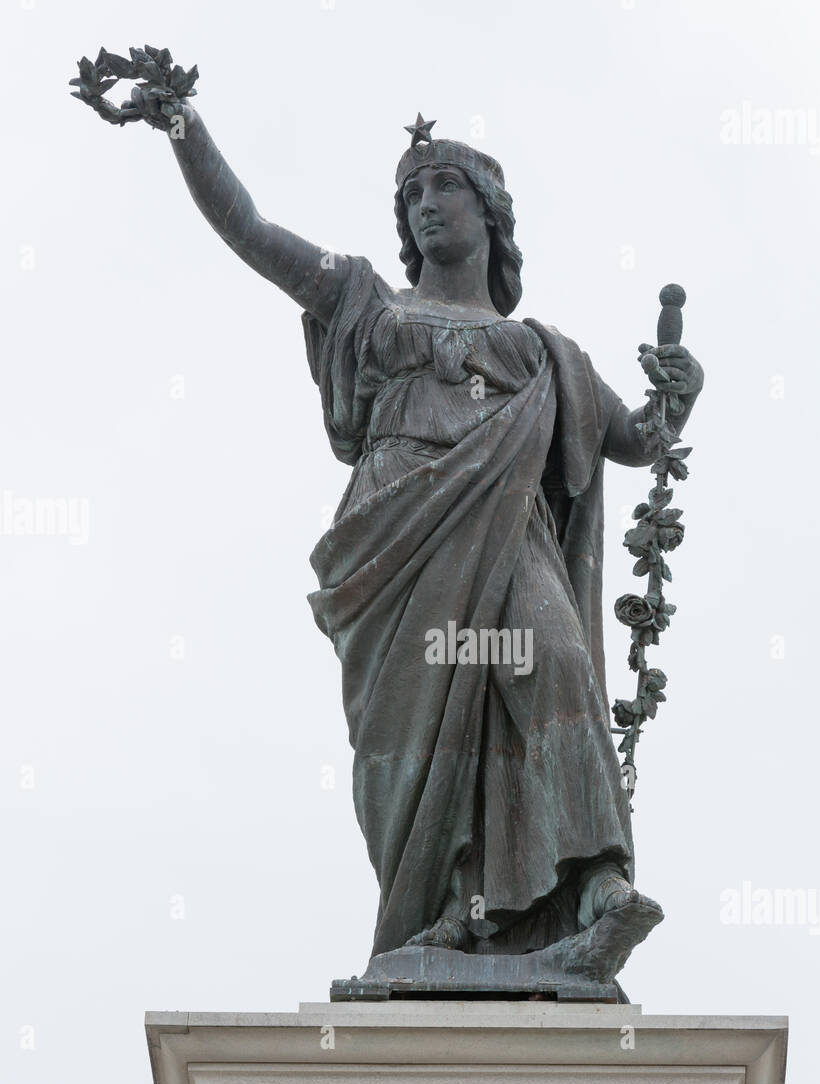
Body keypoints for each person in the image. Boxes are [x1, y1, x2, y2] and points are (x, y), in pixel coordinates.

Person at [122, 95, 703, 964]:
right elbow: (248, 228)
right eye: (411, 196)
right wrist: (181, 124)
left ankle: (595, 887)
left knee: (557, 660)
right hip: (395, 543)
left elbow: (639, 441)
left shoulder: (544, 351)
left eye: (444, 188)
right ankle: (450, 910)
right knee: (409, 742)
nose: (424, 204)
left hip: (507, 533)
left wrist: (678, 391)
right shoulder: (362, 298)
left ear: (490, 213)